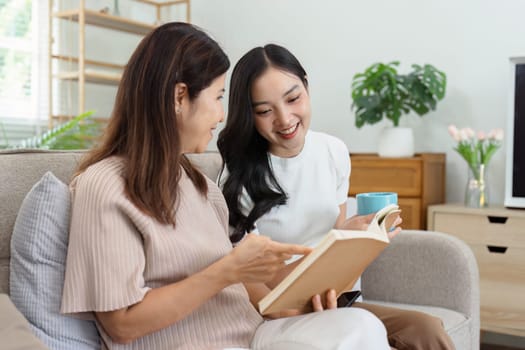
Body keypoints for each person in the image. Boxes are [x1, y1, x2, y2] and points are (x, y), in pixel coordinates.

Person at [60, 23, 391, 350]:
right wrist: (226, 271)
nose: (221, 115)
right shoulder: (103, 187)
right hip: (200, 343)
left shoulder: (199, 186)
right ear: (179, 97)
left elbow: (258, 292)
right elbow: (122, 324)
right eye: (217, 97)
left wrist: (335, 267)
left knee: (358, 326)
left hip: (255, 335)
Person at [217, 43, 456, 350]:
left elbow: (336, 251)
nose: (285, 118)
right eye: (265, 111)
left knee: (426, 330)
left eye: (293, 98)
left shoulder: (333, 151)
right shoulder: (238, 179)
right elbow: (262, 286)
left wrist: (364, 240)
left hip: (334, 300)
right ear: (249, 115)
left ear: (307, 86)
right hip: (282, 315)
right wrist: (339, 240)